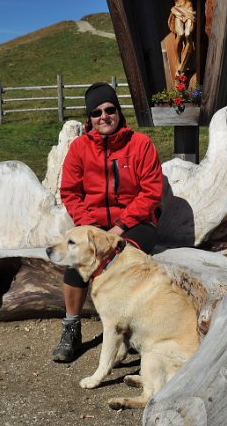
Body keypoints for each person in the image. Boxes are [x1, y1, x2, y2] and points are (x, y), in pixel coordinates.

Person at [53, 82, 164, 362]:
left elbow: (150, 193)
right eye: (96, 112)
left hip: (136, 223)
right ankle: (71, 327)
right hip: (94, 225)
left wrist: (119, 227)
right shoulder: (79, 148)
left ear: (118, 112)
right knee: (77, 261)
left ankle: (129, 331)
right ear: (88, 119)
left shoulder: (140, 144)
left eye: (109, 109)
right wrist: (91, 228)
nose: (104, 116)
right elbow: (70, 192)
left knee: (123, 260)